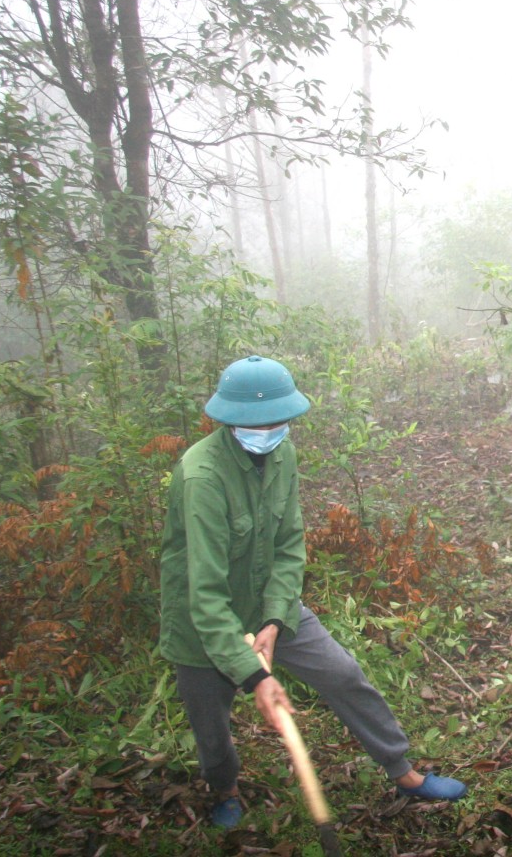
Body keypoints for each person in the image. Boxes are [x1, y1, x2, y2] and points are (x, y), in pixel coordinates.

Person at [159, 355, 468, 829]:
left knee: (343, 673)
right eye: (257, 422)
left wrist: (274, 620)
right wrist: (255, 676)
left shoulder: (283, 455)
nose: (269, 429)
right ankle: (225, 788)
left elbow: (288, 543)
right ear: (230, 420)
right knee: (210, 724)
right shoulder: (203, 475)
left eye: (277, 419)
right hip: (204, 624)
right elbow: (204, 591)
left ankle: (401, 771)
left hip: (272, 602)